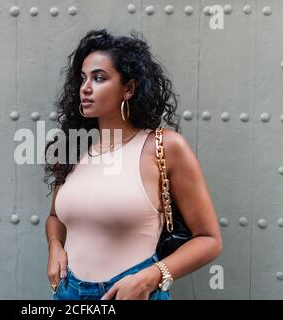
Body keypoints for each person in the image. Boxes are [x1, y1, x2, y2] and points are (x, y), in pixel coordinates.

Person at [43, 29, 222, 300]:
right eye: (83, 78)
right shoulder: (73, 148)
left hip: (133, 291)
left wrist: (151, 277)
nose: (85, 88)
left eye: (99, 78)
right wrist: (55, 245)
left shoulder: (164, 147)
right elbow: (56, 216)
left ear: (129, 88)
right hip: (68, 293)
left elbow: (209, 240)